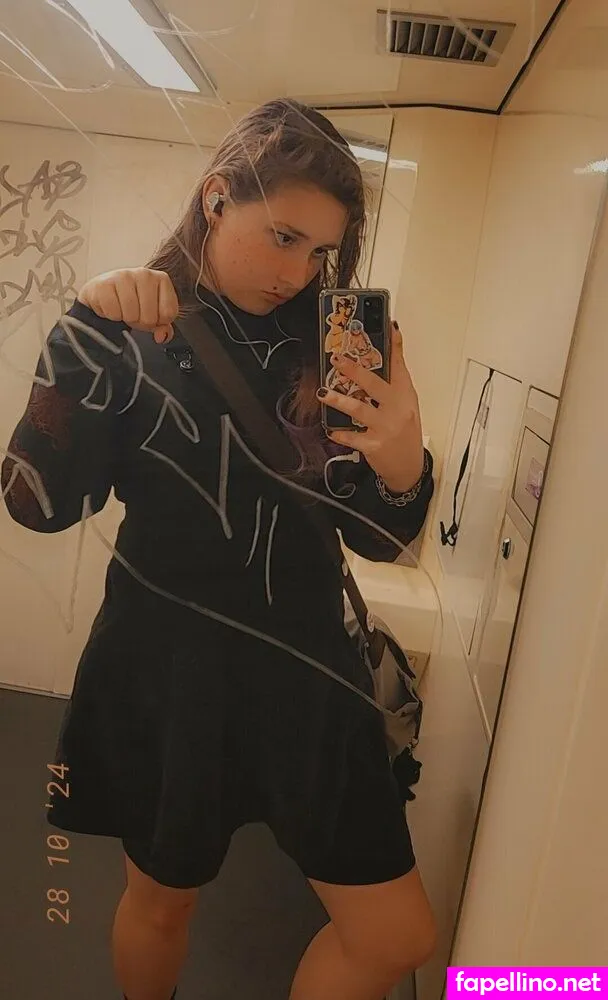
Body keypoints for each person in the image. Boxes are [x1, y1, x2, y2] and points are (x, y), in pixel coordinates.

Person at [1, 99, 437, 1000]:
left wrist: (403, 463)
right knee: (163, 904)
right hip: (171, 670)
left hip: (308, 675)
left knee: (396, 935)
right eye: (282, 236)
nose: (299, 271)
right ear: (215, 199)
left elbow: (378, 539)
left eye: (321, 252)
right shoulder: (134, 327)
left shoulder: (333, 348)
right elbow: (35, 506)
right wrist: (77, 340)